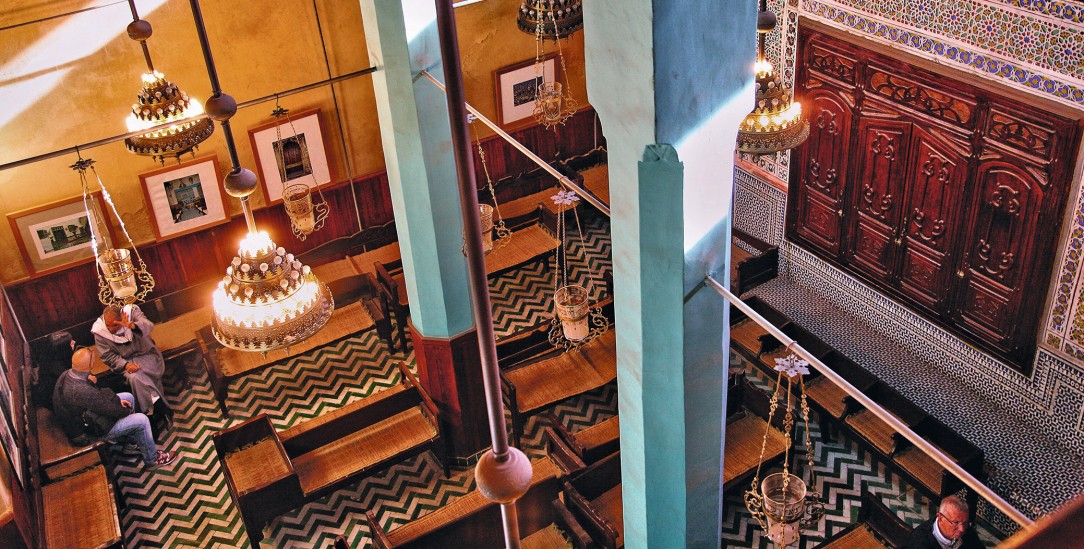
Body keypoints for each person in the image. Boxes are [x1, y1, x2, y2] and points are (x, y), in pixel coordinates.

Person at [53, 347, 176, 468]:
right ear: (90, 365)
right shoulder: (82, 390)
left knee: (128, 397)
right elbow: (115, 410)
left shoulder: (67, 375)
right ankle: (152, 460)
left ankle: (132, 445)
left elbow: (98, 400)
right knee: (142, 420)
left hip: (82, 419)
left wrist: (90, 381)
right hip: (85, 434)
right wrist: (124, 409)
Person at [92, 304, 170, 419]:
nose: (110, 329)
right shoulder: (99, 330)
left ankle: (149, 413)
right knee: (135, 378)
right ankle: (159, 410)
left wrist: (132, 325)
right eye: (108, 325)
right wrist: (126, 365)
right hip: (125, 361)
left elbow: (148, 325)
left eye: (115, 325)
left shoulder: (131, 313)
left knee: (139, 378)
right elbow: (107, 356)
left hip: (146, 355)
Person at [903, 495, 985, 549]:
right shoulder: (920, 543)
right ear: (940, 518)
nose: (962, 529)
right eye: (955, 523)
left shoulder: (966, 529)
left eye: (965, 523)